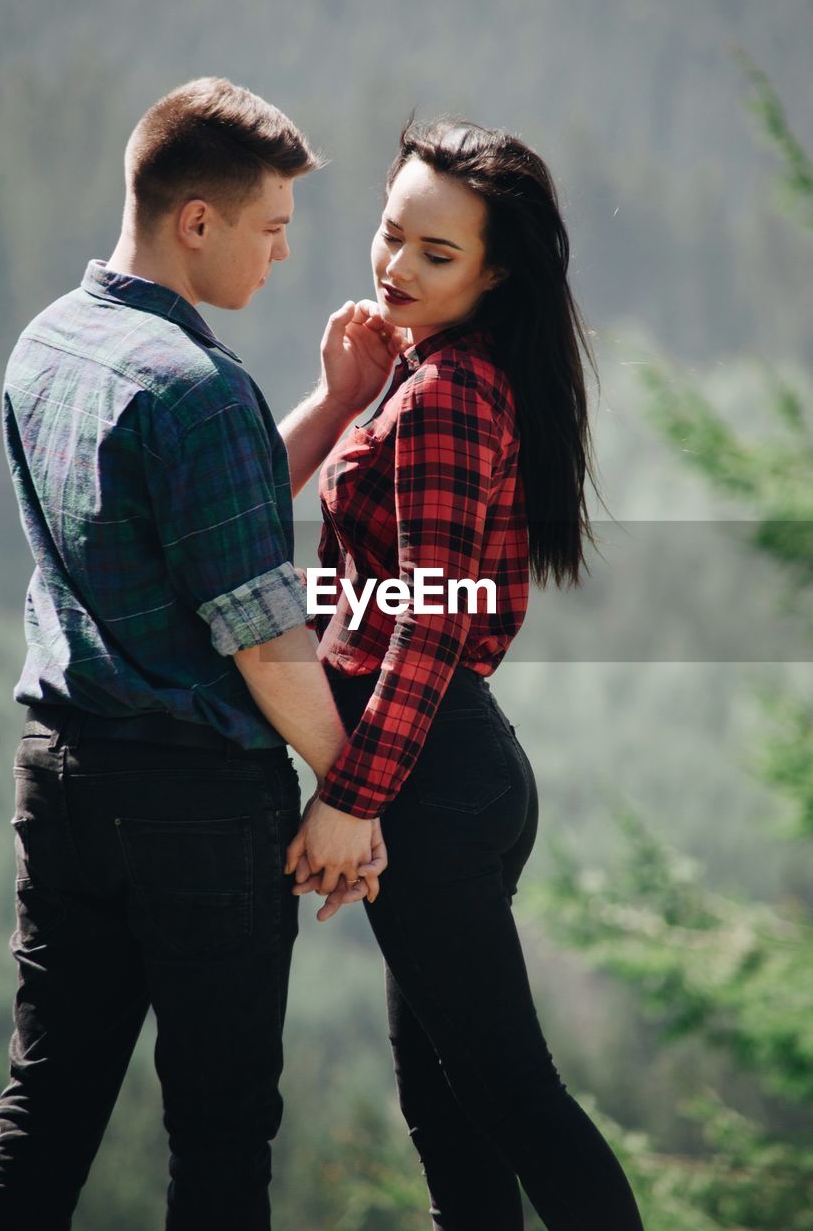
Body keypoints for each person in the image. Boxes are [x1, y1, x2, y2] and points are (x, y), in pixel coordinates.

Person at [0, 76, 394, 1231]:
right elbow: (261, 632)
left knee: (42, 1107)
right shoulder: (198, 387)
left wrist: (334, 399)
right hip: (197, 807)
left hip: (61, 777)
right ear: (195, 220)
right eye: (271, 231)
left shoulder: (49, 342)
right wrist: (353, 791)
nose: (280, 258)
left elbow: (193, 526)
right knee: (219, 1128)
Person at [286, 119, 646, 1229]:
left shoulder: (447, 392)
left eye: (435, 254)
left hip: (431, 778)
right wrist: (345, 398)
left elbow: (430, 626)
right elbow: (367, 596)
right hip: (441, 770)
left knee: (508, 1098)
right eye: (393, 233)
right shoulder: (429, 371)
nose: (395, 265)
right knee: (451, 1112)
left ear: (495, 272)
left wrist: (353, 797)